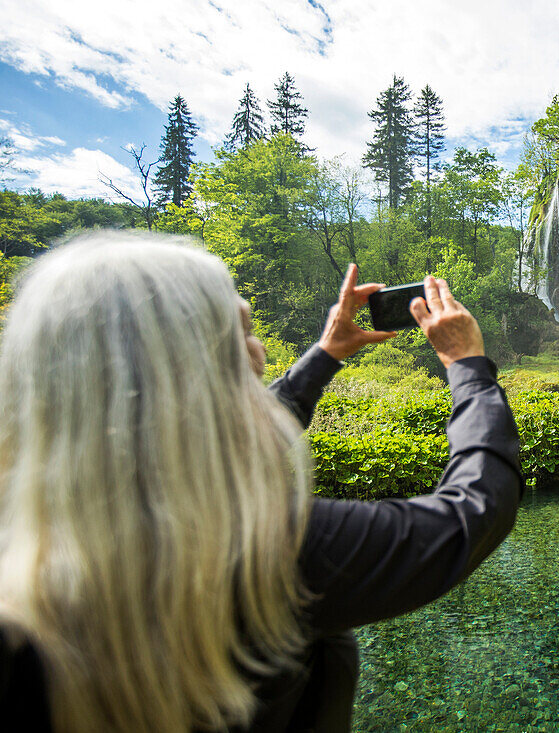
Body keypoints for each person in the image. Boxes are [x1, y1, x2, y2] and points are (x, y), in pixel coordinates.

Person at [0, 232, 522, 732]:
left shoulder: (22, 557)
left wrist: (328, 352)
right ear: (189, 370)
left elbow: (210, 442)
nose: (260, 354)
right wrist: (467, 365)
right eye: (244, 332)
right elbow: (474, 511)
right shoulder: (276, 551)